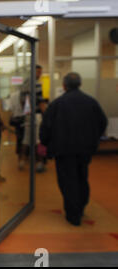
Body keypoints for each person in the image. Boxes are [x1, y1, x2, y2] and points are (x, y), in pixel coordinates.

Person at [39, 72, 108, 226]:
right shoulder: (91, 102)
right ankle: (81, 206)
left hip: (63, 149)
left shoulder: (57, 104)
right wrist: (93, 138)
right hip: (85, 149)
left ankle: (73, 214)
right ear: (80, 84)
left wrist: (45, 143)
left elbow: (46, 126)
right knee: (82, 176)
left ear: (64, 86)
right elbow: (102, 122)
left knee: (67, 180)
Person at [21, 65, 49, 172]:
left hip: (27, 114)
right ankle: (39, 163)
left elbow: (22, 100)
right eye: (38, 72)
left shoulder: (25, 83)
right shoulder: (36, 84)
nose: (39, 74)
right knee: (38, 139)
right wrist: (46, 115)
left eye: (40, 72)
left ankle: (22, 161)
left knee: (26, 139)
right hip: (36, 115)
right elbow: (41, 102)